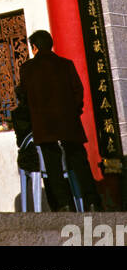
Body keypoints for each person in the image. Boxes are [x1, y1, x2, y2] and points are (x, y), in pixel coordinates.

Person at [18, 29, 103, 212]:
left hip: (44, 125)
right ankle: (92, 201)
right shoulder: (66, 64)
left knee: (53, 165)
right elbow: (78, 92)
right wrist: (73, 112)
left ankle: (64, 204)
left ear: (34, 48)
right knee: (79, 161)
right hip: (69, 122)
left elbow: (23, 97)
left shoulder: (27, 68)